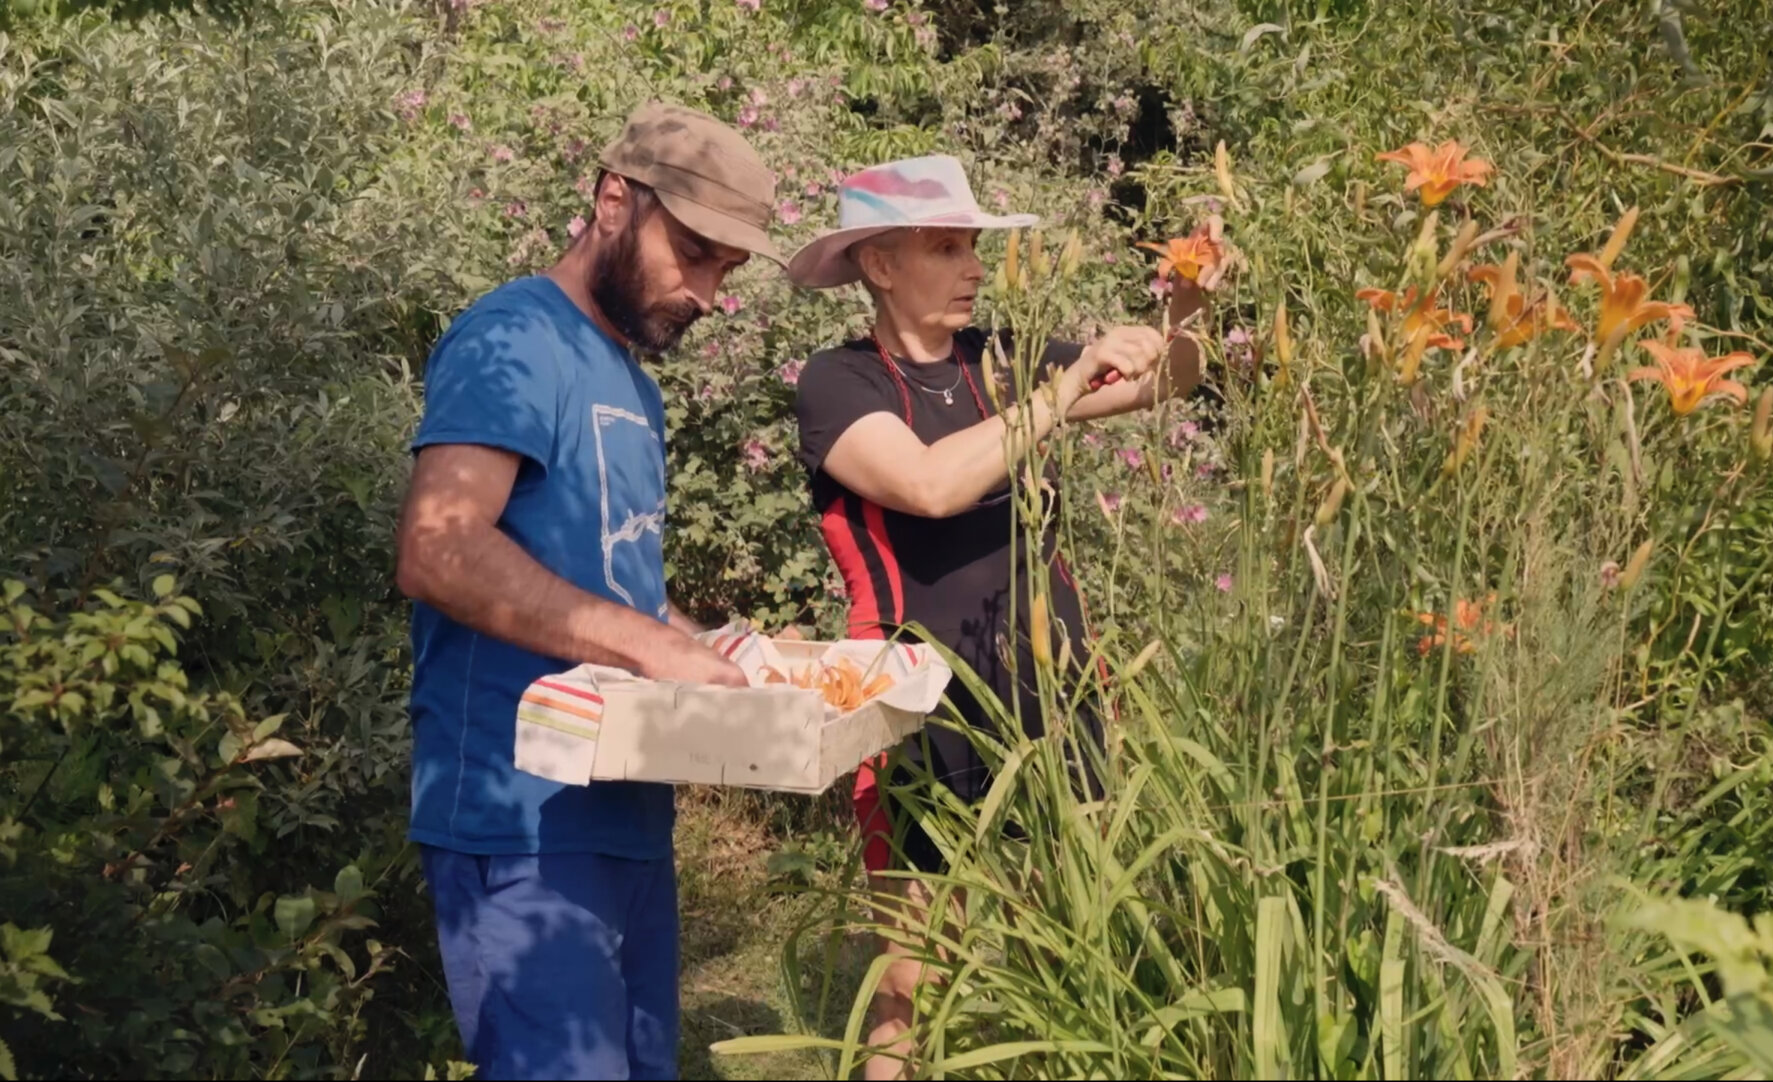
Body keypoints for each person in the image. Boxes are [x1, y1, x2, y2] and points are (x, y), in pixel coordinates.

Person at [785, 154, 1222, 1079]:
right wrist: (1068, 386)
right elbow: (929, 486)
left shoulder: (1005, 358)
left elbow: (1170, 381)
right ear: (879, 266)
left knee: (1070, 938)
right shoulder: (838, 383)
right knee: (914, 978)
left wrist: (1187, 303)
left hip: (1054, 693)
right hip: (917, 704)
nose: (974, 268)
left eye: (974, 247)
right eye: (947, 248)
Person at [393, 102, 783, 1081]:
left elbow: (616, 583)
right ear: (614, 200)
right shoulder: (514, 336)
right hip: (521, 822)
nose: (707, 293)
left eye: (727, 270)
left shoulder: (634, 383)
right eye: (692, 254)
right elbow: (439, 549)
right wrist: (654, 647)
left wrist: (715, 648)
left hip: (625, 811)